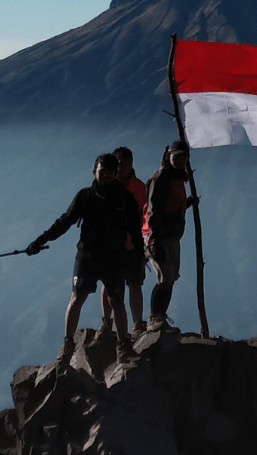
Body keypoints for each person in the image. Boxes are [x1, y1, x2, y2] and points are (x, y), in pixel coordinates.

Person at [26, 153, 143, 363]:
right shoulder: (85, 196)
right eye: (102, 171)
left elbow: (135, 230)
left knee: (116, 302)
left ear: (115, 173)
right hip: (88, 258)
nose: (105, 175)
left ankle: (123, 346)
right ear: (94, 172)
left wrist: (139, 255)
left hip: (114, 259)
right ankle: (68, 345)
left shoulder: (125, 198)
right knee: (78, 298)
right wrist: (41, 240)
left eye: (110, 171)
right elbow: (65, 221)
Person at [97, 147, 148, 339]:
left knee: (135, 285)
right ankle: (106, 322)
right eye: (121, 164)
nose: (125, 167)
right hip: (111, 246)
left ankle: (137, 325)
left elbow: (146, 215)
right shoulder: (105, 187)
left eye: (128, 164)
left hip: (133, 246)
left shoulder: (140, 187)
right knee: (108, 285)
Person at [144, 140, 195, 332]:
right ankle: (154, 318)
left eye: (184, 157)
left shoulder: (179, 178)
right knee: (164, 277)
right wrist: (154, 242)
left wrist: (188, 203)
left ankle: (161, 317)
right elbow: (153, 211)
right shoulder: (160, 178)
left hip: (172, 236)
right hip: (157, 237)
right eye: (177, 157)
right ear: (168, 156)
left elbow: (170, 207)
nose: (180, 160)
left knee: (171, 278)